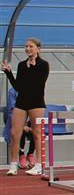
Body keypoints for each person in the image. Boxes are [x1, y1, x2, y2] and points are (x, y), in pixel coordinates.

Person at [3, 38, 49, 176]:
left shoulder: (43, 65)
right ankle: (13, 164)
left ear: (38, 49)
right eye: (26, 46)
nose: (28, 49)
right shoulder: (22, 65)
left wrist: (33, 66)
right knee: (15, 133)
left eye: (31, 46)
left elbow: (39, 84)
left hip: (36, 102)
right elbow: (18, 86)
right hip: (22, 102)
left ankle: (39, 165)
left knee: (37, 134)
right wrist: (9, 73)